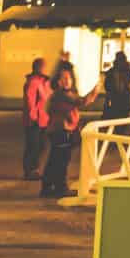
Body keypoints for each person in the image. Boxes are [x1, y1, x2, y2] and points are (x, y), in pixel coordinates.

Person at [40, 60, 82, 198]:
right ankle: (60, 188)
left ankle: (48, 187)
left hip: (58, 130)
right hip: (61, 131)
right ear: (58, 81)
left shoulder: (61, 95)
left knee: (55, 159)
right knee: (61, 160)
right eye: (64, 78)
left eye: (69, 78)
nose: (67, 81)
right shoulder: (61, 96)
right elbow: (81, 102)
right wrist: (94, 93)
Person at [21, 58, 52, 181]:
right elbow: (30, 101)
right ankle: (30, 170)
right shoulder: (33, 82)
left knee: (41, 145)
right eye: (44, 66)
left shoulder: (44, 82)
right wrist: (32, 116)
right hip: (35, 120)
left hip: (43, 119)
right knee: (33, 145)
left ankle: (35, 168)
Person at [103, 51, 130, 120]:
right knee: (123, 119)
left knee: (114, 118)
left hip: (114, 98)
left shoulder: (112, 71)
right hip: (125, 99)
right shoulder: (127, 71)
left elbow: (106, 86)